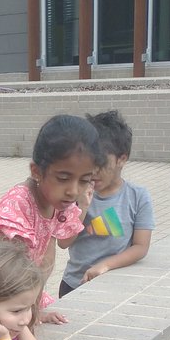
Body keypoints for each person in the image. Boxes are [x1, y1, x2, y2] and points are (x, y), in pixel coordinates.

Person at [0, 115, 104, 324]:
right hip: (0, 302)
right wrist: (29, 312)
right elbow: (7, 276)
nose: (73, 191)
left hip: (28, 295)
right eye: (63, 178)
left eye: (84, 180)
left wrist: (83, 206)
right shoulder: (16, 208)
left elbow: (64, 241)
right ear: (37, 171)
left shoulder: (55, 201)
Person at [58, 110, 154, 296]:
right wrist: (82, 207)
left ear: (122, 159)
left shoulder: (137, 196)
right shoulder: (75, 193)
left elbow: (141, 246)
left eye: (101, 163)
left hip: (114, 286)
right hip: (74, 285)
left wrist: (105, 265)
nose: (93, 171)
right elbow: (63, 242)